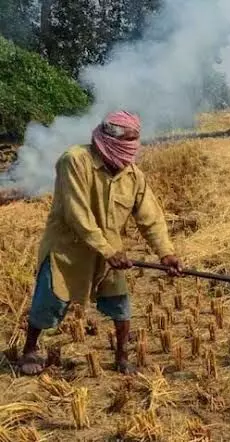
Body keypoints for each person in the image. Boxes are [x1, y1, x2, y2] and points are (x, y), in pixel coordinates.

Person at [18, 110, 183, 376]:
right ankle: (29, 349)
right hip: (67, 250)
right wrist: (107, 249)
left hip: (109, 253)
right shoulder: (74, 161)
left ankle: (121, 356)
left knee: (121, 306)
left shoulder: (133, 176)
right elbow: (76, 213)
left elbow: (150, 217)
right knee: (48, 301)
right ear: (105, 140)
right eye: (124, 144)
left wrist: (166, 254)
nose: (126, 156)